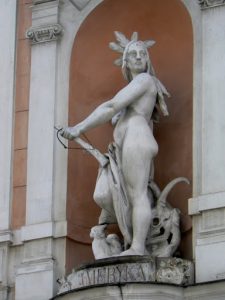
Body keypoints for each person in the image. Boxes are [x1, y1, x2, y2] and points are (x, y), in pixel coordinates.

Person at [61, 32, 169, 255]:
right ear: (126, 62)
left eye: (143, 53)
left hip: (136, 141)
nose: (139, 57)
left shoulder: (144, 80)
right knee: (114, 195)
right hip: (127, 145)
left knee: (137, 194)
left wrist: (80, 127)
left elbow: (111, 106)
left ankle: (138, 247)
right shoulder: (136, 90)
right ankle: (133, 241)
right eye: (133, 54)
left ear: (147, 60)